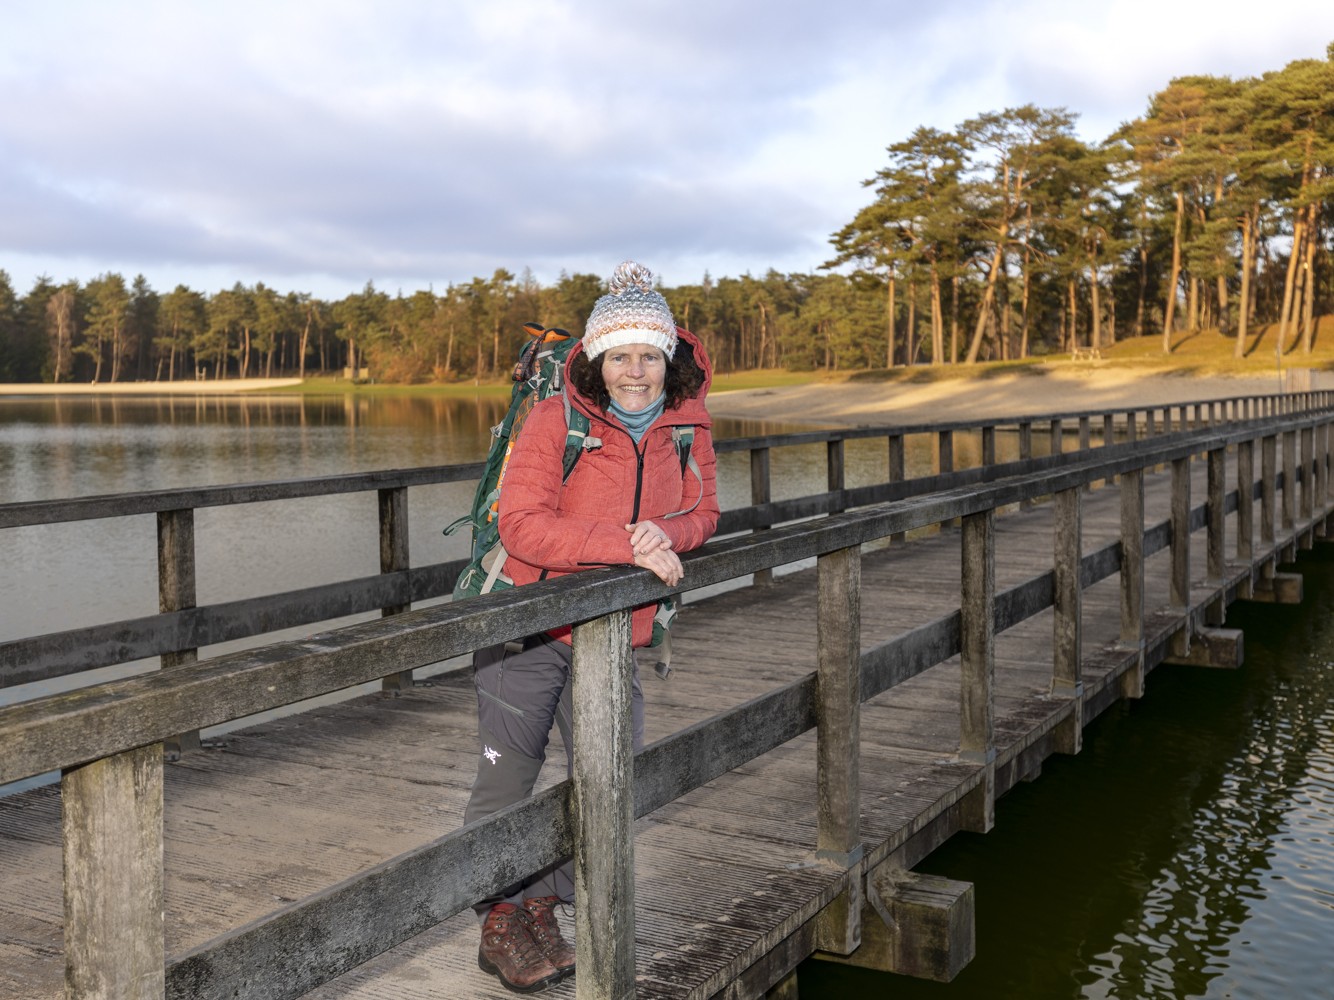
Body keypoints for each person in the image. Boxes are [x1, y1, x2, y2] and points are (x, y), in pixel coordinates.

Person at [463, 260, 719, 993]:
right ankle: (500, 918)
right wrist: (631, 541)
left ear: (668, 358)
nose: (634, 371)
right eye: (620, 355)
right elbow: (520, 528)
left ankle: (542, 902)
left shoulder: (685, 424)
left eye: (648, 354)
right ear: (597, 360)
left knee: (610, 780)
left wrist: (668, 534)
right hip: (527, 628)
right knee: (506, 782)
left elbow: (707, 512)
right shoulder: (556, 420)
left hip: (614, 636)